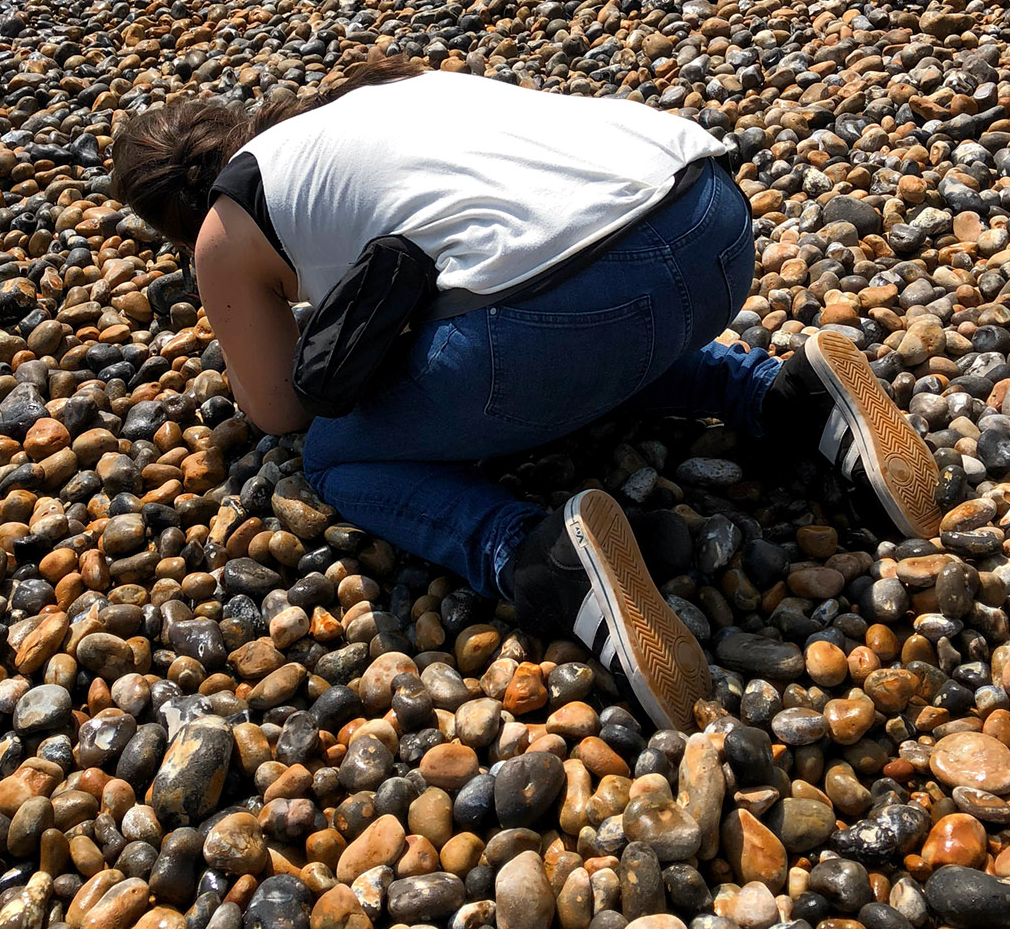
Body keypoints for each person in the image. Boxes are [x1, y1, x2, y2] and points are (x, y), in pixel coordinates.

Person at [111, 63, 941, 731]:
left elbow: (282, 411)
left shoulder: (228, 222)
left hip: (565, 324)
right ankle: (783, 395)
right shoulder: (385, 90)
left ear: (166, 220)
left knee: (337, 452)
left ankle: (540, 562)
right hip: (712, 226)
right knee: (551, 307)